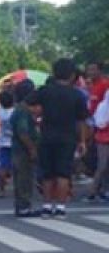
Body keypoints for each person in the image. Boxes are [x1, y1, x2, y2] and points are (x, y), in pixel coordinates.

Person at [36, 58, 90, 218]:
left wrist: (38, 119)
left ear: (54, 73)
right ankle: (60, 207)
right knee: (63, 173)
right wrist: (82, 141)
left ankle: (46, 206)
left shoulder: (45, 91)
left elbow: (29, 105)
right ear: (73, 75)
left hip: (46, 136)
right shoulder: (77, 95)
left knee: (47, 173)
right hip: (68, 137)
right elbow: (81, 120)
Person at [9, 81, 42, 218]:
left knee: (21, 177)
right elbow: (23, 132)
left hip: (17, 148)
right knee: (25, 178)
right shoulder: (23, 110)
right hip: (22, 150)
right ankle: (24, 206)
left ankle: (21, 205)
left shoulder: (19, 108)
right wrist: (32, 148)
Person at [85, 61, 109, 202]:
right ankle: (101, 190)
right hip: (98, 129)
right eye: (89, 70)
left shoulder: (105, 85)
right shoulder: (93, 87)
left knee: (103, 163)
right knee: (102, 163)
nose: (90, 73)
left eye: (93, 69)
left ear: (100, 71)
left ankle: (94, 191)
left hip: (101, 128)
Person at [0, 88, 16, 198]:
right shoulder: (15, 112)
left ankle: (1, 189)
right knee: (17, 167)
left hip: (3, 142)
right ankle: (18, 188)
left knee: (3, 166)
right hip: (15, 142)